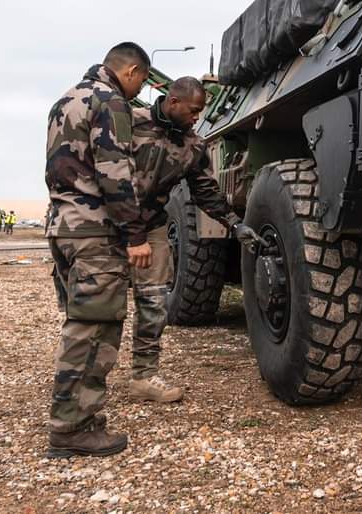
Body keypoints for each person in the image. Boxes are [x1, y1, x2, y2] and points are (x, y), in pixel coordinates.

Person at [44, 43, 151, 459]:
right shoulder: (110, 101)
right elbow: (115, 173)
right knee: (94, 331)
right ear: (132, 70)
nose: (139, 90)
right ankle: (71, 427)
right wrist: (135, 234)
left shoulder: (67, 99)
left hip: (64, 227)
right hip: (94, 232)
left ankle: (77, 415)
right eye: (142, 81)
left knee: (81, 323)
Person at [128, 77, 257, 402]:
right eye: (194, 110)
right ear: (173, 102)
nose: (198, 117)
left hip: (153, 226)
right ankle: (87, 379)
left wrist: (235, 225)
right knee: (104, 303)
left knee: (154, 302)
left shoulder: (193, 145)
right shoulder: (129, 123)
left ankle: (144, 375)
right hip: (112, 223)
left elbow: (206, 193)